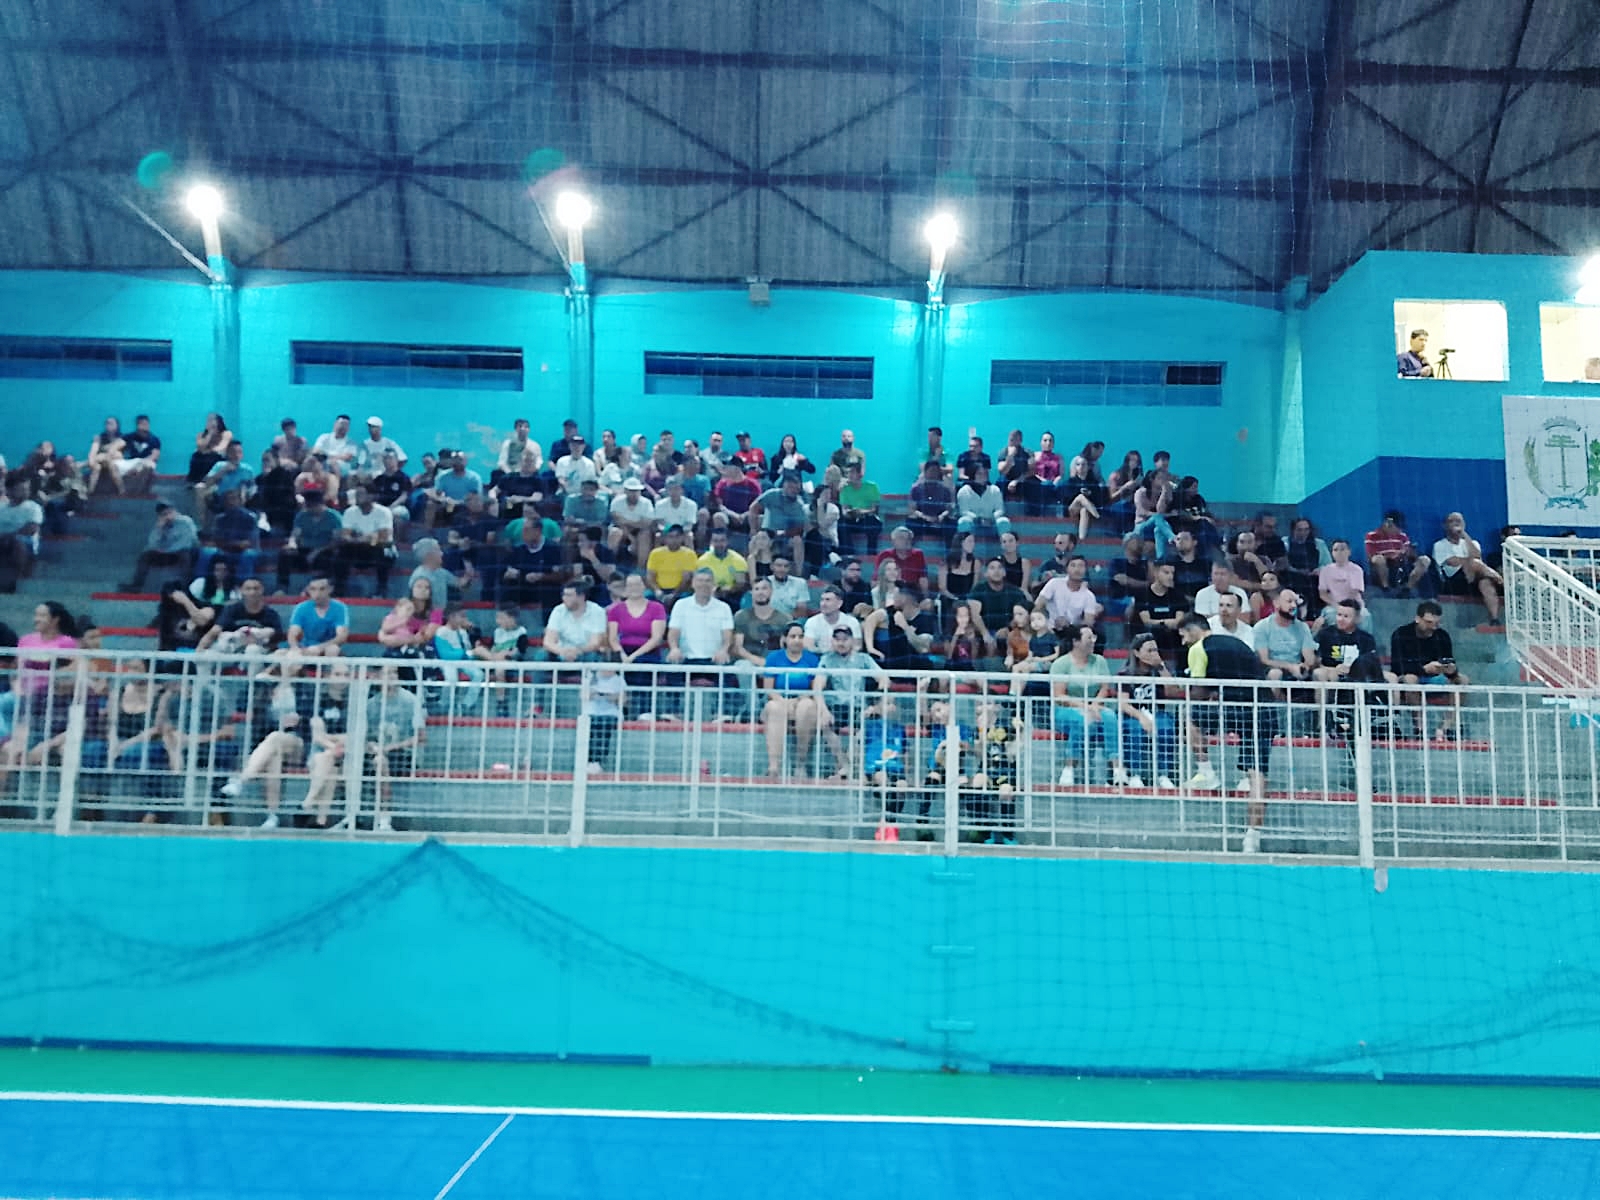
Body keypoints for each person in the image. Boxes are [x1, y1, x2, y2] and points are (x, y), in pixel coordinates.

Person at [1178, 614, 1274, 852]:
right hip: (1263, 710)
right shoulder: (1238, 644)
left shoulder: (1198, 649)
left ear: (1194, 630)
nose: (1183, 642)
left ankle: (1206, 772)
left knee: (1188, 718)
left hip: (1232, 708)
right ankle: (1252, 836)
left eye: (1183, 636)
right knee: (1258, 775)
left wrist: (1181, 687)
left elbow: (1198, 691)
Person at [1049, 623, 1128, 787]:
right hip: (1066, 709)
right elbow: (1059, 695)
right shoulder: (1061, 663)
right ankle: (1069, 768)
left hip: (1094, 707)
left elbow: (1104, 688)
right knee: (1082, 720)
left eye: (1094, 637)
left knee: (1110, 716)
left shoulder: (1099, 661)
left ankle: (1117, 769)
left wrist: (1094, 705)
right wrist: (1085, 707)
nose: (1093, 641)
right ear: (1075, 642)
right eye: (1089, 638)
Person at [761, 622, 833, 778]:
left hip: (803, 699)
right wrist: (784, 702)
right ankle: (774, 766)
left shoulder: (812, 659)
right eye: (793, 636)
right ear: (784, 639)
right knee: (775, 708)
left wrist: (800, 699)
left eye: (800, 636)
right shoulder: (774, 658)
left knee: (806, 707)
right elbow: (769, 689)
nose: (797, 640)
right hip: (779, 700)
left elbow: (815, 688)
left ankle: (801, 764)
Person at [665, 568, 736, 719]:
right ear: (693, 583)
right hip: (686, 658)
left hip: (714, 659)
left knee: (729, 673)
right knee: (671, 667)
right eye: (700, 580)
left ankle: (723, 714)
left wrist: (724, 650)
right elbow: (673, 632)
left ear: (714, 585)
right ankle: (673, 712)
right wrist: (674, 648)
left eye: (708, 581)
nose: (704, 584)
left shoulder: (724, 608)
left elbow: (728, 635)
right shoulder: (680, 605)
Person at [1390, 600, 1466, 740]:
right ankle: (1420, 729)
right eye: (1428, 622)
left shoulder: (1442, 635)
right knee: (1410, 679)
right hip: (1410, 677)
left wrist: (1451, 670)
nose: (1433, 627)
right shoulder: (1401, 634)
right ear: (1417, 619)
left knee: (1463, 680)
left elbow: (1449, 660)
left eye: (1436, 623)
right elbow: (1396, 667)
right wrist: (1423, 669)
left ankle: (1445, 728)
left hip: (1436, 677)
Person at [1118, 633, 1179, 789]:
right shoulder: (1125, 674)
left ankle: (1164, 775)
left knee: (1165, 728)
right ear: (1137, 653)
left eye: (1155, 650)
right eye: (1149, 650)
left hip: (1157, 712)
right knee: (1135, 730)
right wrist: (1141, 717)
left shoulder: (1161, 672)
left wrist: (1162, 668)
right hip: (1133, 713)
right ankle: (1135, 774)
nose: (1154, 654)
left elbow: (1173, 693)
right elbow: (1123, 704)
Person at [1433, 512, 1503, 622]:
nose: (1455, 524)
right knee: (1473, 563)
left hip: (1473, 580)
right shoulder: (1439, 545)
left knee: (1485, 583)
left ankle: (1494, 619)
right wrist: (1469, 561)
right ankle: (1498, 579)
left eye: (1458, 521)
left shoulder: (1473, 543)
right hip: (1453, 582)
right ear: (1445, 526)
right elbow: (1452, 561)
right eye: (1451, 521)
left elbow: (1477, 555)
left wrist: (1463, 534)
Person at [121, 501, 199, 591]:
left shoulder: (185, 521)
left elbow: (189, 540)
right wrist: (159, 529)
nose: (167, 516)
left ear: (174, 511)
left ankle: (187, 587)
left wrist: (169, 549)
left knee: (186, 556)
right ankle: (136, 585)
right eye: (164, 514)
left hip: (182, 551)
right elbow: (152, 543)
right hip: (166, 553)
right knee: (145, 556)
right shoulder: (161, 524)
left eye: (169, 512)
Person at [333, 487, 395, 597]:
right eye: (356, 494)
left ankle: (381, 590)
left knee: (382, 552)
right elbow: (345, 536)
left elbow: (383, 538)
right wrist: (366, 538)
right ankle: (339, 590)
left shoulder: (384, 512)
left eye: (361, 494)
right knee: (342, 552)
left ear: (371, 496)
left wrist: (364, 538)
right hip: (358, 548)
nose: (357, 497)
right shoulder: (350, 512)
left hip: (380, 548)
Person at [276, 491, 342, 595]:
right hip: (304, 549)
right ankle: (282, 587)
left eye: (312, 506)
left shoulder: (334, 517)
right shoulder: (302, 515)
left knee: (328, 560)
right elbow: (295, 534)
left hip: (324, 550)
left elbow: (336, 541)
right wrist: (292, 544)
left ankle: (315, 589)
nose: (309, 509)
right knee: (285, 554)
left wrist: (317, 551)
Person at [198, 577, 283, 654]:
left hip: (258, 652)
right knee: (212, 651)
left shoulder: (271, 614)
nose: (252, 592)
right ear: (241, 591)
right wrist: (200, 648)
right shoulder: (231, 610)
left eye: (256, 588)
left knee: (252, 649)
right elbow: (215, 631)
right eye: (248, 589)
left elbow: (277, 640)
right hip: (232, 649)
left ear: (262, 590)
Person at [967, 557, 1028, 662]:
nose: (996, 571)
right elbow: (975, 615)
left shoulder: (1015, 592)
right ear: (986, 573)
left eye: (1000, 568)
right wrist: (985, 634)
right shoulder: (978, 589)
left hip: (1008, 630)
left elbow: (1022, 615)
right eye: (992, 568)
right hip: (984, 630)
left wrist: (1008, 628)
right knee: (985, 641)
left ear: (1004, 573)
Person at [1312, 599, 1387, 684]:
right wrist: (1334, 669)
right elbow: (1316, 663)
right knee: (1322, 673)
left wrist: (1352, 669)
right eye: (1339, 615)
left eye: (1346, 616)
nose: (1341, 619)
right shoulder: (1325, 634)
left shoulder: (1366, 638)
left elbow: (1372, 664)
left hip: (1360, 673)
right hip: (1332, 670)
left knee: (1391, 677)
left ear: (1357, 618)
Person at [499, 516, 564, 613]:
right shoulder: (519, 550)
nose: (523, 534)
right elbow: (505, 569)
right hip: (523, 587)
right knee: (508, 590)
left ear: (538, 531)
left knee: (550, 592)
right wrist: (509, 574)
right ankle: (506, 619)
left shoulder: (552, 549)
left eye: (526, 530)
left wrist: (542, 576)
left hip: (544, 588)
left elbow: (560, 575)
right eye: (523, 530)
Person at [1255, 587, 1317, 683]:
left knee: (1318, 673)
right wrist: (1289, 667)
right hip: (1272, 670)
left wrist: (1304, 666)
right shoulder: (1262, 627)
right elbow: (1264, 660)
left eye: (1295, 602)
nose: (1294, 605)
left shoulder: (1302, 627)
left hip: (1297, 670)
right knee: (1275, 674)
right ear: (1276, 604)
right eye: (1289, 601)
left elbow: (1309, 658)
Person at [542, 578, 608, 667]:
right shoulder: (558, 610)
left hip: (586, 652)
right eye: (564, 595)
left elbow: (595, 643)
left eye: (569, 595)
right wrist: (563, 651)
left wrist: (577, 651)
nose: (564, 598)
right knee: (541, 655)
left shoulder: (597, 611)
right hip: (561, 651)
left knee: (594, 657)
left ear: (581, 597)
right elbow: (548, 641)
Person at [1364, 510, 1432, 595]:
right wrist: (1391, 556)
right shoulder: (1372, 536)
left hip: (1401, 564)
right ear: (1388, 524)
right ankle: (1385, 587)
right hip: (1383, 567)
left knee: (1424, 560)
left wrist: (1409, 552)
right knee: (1379, 559)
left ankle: (1408, 588)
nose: (1399, 530)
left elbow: (1410, 554)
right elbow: (1371, 556)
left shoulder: (1402, 536)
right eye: (1397, 527)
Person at [1131, 561, 1187, 660]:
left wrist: (1162, 622)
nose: (1170, 577)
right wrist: (1164, 623)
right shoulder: (1143, 595)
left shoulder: (1178, 595)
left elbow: (1179, 621)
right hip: (1152, 634)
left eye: (1172, 573)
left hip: (1173, 635)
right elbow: (1146, 621)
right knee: (1153, 633)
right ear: (1156, 573)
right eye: (1166, 573)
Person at [1035, 555, 1101, 633]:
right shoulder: (1054, 583)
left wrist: (1069, 626)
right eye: (1073, 565)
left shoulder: (1089, 596)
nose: (1077, 569)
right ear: (1066, 569)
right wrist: (1044, 624)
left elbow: (1088, 623)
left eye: (1081, 566)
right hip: (1049, 630)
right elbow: (1037, 606)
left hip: (1072, 633)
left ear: (1085, 570)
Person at [286, 576, 349, 656]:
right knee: (281, 653)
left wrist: (319, 648)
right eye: (313, 589)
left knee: (333, 649)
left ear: (330, 589)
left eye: (322, 589)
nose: (317, 593)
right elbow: (292, 633)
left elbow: (342, 636)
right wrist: (294, 648)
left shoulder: (339, 607)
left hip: (328, 648)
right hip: (305, 648)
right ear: (308, 590)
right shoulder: (301, 607)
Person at [581, 664, 624, 775]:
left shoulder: (619, 680)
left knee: (604, 728)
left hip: (610, 713)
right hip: (591, 712)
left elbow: (623, 700)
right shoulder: (591, 678)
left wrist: (611, 697)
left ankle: (598, 760)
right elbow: (583, 696)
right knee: (590, 728)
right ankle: (589, 760)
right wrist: (594, 694)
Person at [836, 462, 883, 557]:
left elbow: (874, 509)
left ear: (859, 474)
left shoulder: (872, 487)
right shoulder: (845, 489)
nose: (849, 475)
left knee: (873, 523)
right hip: (852, 520)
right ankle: (849, 555)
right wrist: (850, 513)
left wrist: (861, 512)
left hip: (867, 518)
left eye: (852, 472)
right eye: (847, 473)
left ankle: (871, 555)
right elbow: (844, 510)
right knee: (841, 523)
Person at [802, 584, 863, 653]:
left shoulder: (852, 622)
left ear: (839, 603)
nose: (823, 604)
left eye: (828, 600)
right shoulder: (812, 622)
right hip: (820, 657)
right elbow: (808, 647)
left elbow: (857, 647)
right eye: (822, 600)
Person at [646, 524, 699, 602]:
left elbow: (686, 580)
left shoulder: (689, 554)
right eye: (670, 537)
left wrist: (674, 594)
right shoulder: (655, 554)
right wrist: (657, 590)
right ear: (665, 538)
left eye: (677, 536)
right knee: (647, 597)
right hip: (659, 590)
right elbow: (650, 577)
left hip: (680, 591)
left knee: (685, 597)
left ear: (682, 538)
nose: (674, 540)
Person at [1131, 468, 1176, 560]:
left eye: (1164, 478)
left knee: (1158, 530)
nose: (1162, 481)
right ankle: (1172, 537)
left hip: (1156, 525)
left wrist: (1164, 492)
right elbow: (1141, 512)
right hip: (1141, 526)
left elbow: (1160, 511)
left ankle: (1160, 558)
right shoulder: (1140, 492)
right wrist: (1168, 515)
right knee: (1157, 517)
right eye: (1160, 478)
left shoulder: (1162, 494)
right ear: (1152, 479)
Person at [907, 461, 956, 544]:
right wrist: (925, 517)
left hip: (939, 520)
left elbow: (949, 509)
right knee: (911, 522)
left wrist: (941, 516)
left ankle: (949, 551)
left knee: (951, 525)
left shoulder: (945, 490)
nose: (933, 473)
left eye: (936, 471)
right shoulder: (916, 489)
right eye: (931, 471)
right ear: (925, 472)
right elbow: (913, 509)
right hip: (922, 520)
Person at [955, 465, 1011, 537]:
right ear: (972, 475)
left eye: (985, 473)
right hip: (973, 523)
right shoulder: (964, 491)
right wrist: (978, 519)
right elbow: (964, 511)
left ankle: (1005, 543)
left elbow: (1000, 509)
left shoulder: (995, 490)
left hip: (991, 522)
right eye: (979, 473)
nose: (983, 476)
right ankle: (966, 542)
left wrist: (991, 518)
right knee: (963, 521)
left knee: (1004, 522)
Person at [1316, 539, 1366, 618]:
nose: (1339, 552)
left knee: (1364, 615)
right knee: (1329, 616)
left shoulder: (1357, 570)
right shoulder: (1325, 570)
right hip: (1333, 606)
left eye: (1342, 549)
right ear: (1332, 553)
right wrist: (1335, 605)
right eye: (1335, 550)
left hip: (1353, 605)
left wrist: (1344, 608)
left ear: (1349, 552)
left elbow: (1354, 593)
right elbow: (1323, 594)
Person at [697, 526, 749, 603]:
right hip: (708, 594)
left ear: (728, 541)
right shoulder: (702, 560)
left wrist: (726, 590)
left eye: (722, 540)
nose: (719, 544)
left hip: (732, 596)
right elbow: (699, 582)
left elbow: (740, 583)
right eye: (715, 541)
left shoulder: (738, 560)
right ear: (711, 542)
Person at [186, 412, 232, 483]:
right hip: (205, 455)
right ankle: (194, 479)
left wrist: (208, 451)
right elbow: (200, 447)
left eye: (212, 420)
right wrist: (210, 434)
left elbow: (222, 447)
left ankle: (207, 480)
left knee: (210, 458)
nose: (210, 423)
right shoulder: (201, 435)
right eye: (208, 421)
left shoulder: (227, 433)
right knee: (196, 456)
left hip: (219, 457)